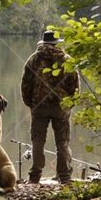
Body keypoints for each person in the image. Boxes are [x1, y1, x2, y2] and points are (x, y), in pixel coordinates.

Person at [20, 29, 79, 184]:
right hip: (61, 107)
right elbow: (75, 87)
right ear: (57, 43)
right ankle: (64, 177)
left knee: (37, 141)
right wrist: (69, 104)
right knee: (62, 142)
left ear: (44, 43)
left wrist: (30, 104)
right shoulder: (67, 60)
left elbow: (25, 85)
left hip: (39, 106)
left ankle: (35, 176)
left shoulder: (33, 59)